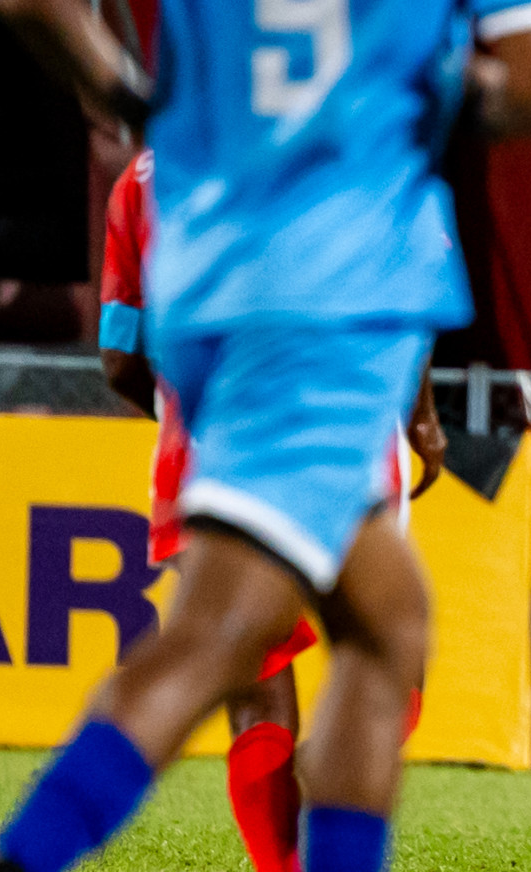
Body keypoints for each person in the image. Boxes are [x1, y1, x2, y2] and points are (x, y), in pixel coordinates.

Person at [0, 0, 531, 868]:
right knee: (217, 638)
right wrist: (409, 101)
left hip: (211, 265)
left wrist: (142, 106)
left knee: (388, 628)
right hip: (338, 279)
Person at [99, 147, 441, 872]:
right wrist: (423, 416)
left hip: (204, 458)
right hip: (339, 442)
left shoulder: (142, 178)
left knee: (251, 693)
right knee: (389, 662)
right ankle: (334, 758)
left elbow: (119, 355)